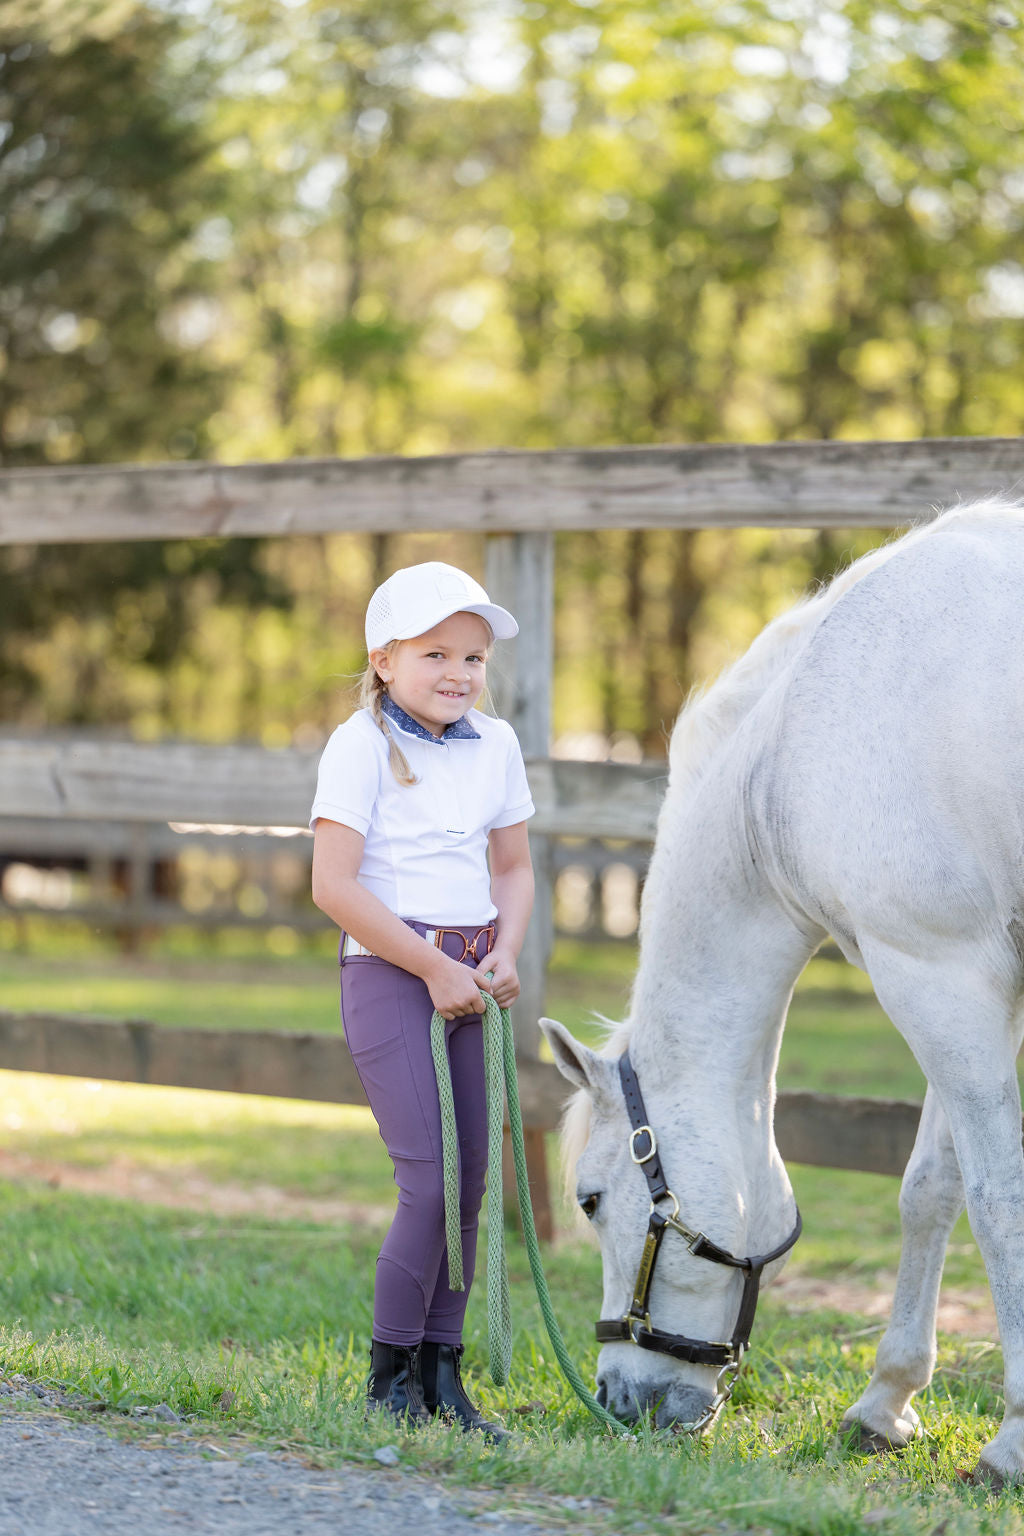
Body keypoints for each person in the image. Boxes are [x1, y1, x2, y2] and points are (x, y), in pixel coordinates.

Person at [310, 560, 535, 1443]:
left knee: (472, 1180)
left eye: (474, 657)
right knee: (429, 1182)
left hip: (471, 976)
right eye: (436, 652)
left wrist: (503, 951)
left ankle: (444, 1374)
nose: (458, 673)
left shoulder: (498, 744)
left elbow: (512, 869)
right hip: (391, 974)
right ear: (383, 657)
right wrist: (431, 968)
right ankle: (389, 1371)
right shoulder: (360, 745)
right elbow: (334, 884)